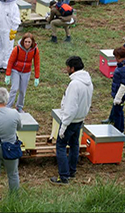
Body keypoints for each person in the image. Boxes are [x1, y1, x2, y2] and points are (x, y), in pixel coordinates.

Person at [50, 56, 93, 185]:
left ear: (72, 68)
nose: (66, 69)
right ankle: (72, 171)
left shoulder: (74, 84)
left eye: (67, 67)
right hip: (80, 119)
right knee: (74, 145)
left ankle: (63, 177)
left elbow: (70, 108)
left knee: (61, 146)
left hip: (71, 121)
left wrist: (63, 126)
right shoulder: (88, 82)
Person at [4, 33, 40, 113]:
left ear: (32, 43)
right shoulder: (17, 49)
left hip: (26, 72)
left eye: (29, 42)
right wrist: (8, 75)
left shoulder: (35, 50)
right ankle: (8, 106)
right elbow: (10, 61)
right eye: (26, 41)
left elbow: (37, 63)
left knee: (23, 91)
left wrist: (36, 77)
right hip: (16, 70)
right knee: (14, 88)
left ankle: (19, 106)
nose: (27, 44)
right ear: (23, 41)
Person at [0, 0, 21, 72]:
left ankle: (6, 66)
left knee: (7, 48)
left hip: (8, 31)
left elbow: (16, 20)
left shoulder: (14, 6)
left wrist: (13, 30)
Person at [109, 47, 125, 133]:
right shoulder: (123, 65)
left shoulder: (124, 68)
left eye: (118, 58)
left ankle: (118, 129)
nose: (116, 59)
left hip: (120, 94)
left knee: (118, 112)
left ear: (123, 57)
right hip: (118, 92)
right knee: (119, 111)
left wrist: (118, 97)